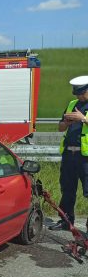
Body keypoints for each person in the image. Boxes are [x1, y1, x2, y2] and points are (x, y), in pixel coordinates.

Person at [50, 75, 88, 231]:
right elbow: (60, 128)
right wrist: (66, 122)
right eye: (76, 93)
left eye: (81, 93)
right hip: (69, 155)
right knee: (67, 189)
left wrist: (83, 118)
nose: (78, 96)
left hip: (86, 157)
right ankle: (66, 221)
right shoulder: (72, 104)